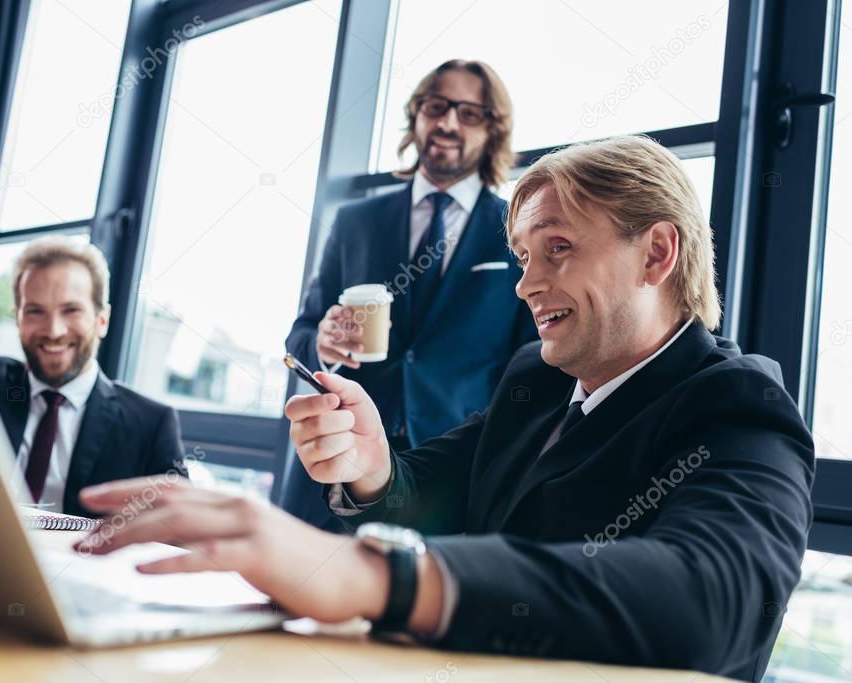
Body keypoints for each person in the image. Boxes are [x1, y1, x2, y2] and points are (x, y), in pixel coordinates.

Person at [73, 137, 814, 681]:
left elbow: (712, 604)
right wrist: (368, 464)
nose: (526, 285)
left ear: (656, 255)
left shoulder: (738, 403)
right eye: (522, 257)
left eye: (556, 248)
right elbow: (428, 489)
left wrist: (384, 577)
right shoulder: (539, 379)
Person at [283, 59, 536, 527]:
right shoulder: (356, 221)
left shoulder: (515, 229)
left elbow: (531, 360)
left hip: (444, 477)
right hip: (337, 465)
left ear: (492, 130)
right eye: (436, 107)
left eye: (469, 113)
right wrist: (322, 343)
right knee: (294, 599)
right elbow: (302, 331)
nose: (447, 123)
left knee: (410, 599)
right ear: (416, 115)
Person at [0, 236, 187, 516]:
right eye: (35, 311)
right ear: (18, 319)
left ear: (102, 320)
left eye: (71, 310)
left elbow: (177, 533)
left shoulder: (150, 425)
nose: (53, 330)